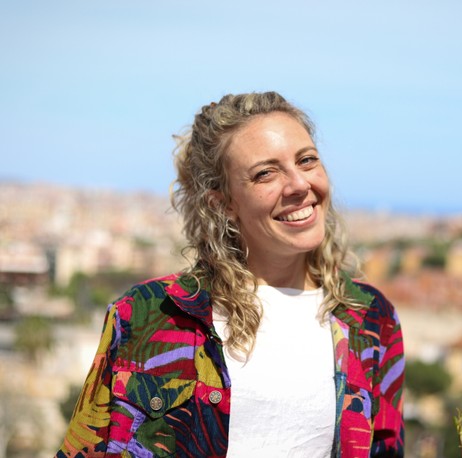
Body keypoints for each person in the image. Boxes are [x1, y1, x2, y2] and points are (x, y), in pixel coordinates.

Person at [56, 91, 405, 457]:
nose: (300, 184)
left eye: (307, 160)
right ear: (222, 203)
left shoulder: (371, 316)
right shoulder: (147, 313)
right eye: (265, 173)